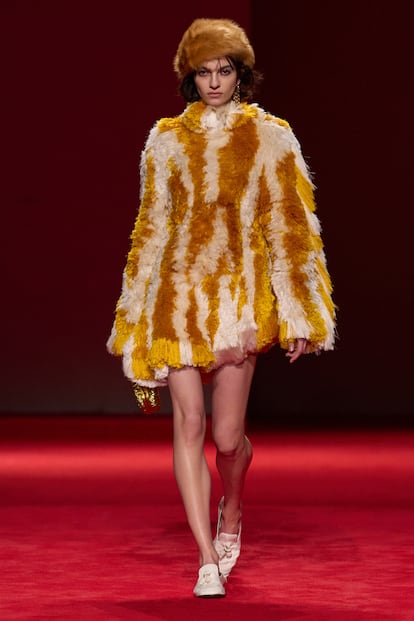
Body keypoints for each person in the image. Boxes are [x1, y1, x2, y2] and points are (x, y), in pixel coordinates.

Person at [107, 17, 336, 598]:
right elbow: (149, 231)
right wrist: (132, 324)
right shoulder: (165, 140)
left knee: (229, 440)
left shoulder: (270, 137)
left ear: (241, 74)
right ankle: (207, 559)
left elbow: (291, 226)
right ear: (190, 77)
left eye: (224, 70)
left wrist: (302, 311)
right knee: (189, 423)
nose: (214, 82)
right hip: (176, 300)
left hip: (237, 301)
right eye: (204, 72)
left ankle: (231, 507)